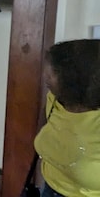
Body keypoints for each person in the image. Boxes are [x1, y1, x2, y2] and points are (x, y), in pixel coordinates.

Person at [34, 39, 100, 197]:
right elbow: (43, 130)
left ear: (74, 79)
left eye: (52, 72)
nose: (45, 76)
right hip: (49, 188)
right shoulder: (54, 99)